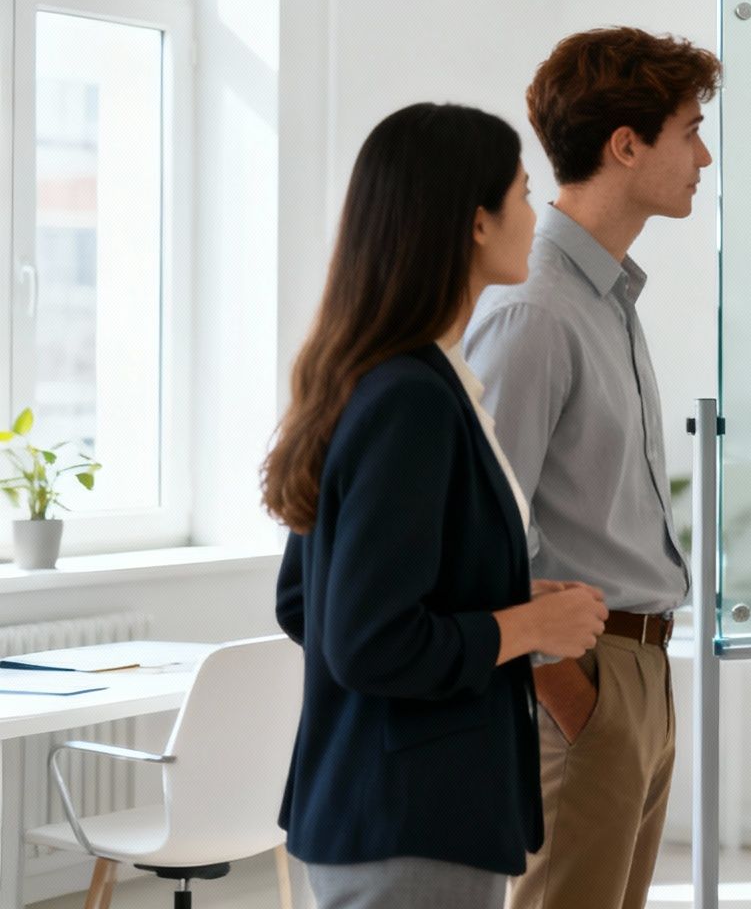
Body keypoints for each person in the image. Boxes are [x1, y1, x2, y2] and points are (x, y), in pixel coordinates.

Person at [266, 103, 610, 909]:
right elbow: (371, 641)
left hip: (388, 805)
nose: (537, 216)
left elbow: (306, 603)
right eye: (525, 195)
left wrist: (512, 601)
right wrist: (526, 627)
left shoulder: (393, 378)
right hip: (408, 815)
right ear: (477, 223)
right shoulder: (410, 399)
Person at [464, 26, 720, 909]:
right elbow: (484, 531)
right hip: (582, 682)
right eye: (689, 130)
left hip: (639, 674)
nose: (704, 154)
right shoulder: (534, 311)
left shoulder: (607, 297)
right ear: (626, 145)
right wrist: (570, 697)